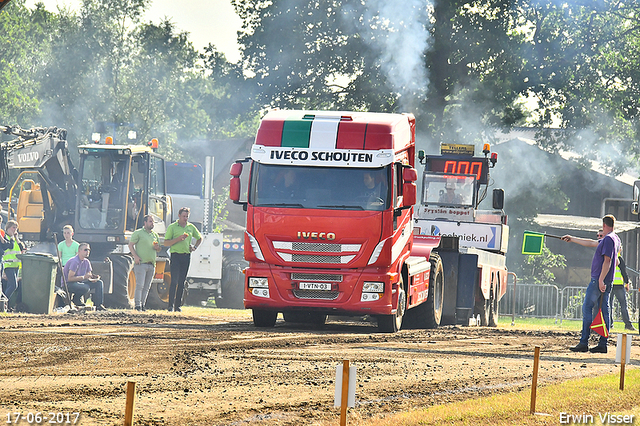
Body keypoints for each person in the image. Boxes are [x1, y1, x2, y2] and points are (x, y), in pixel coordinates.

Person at [562, 215, 620, 353]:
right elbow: (591, 242)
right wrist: (572, 239)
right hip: (607, 281)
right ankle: (602, 343)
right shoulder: (615, 238)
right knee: (605, 311)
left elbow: (608, 261)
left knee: (587, 308)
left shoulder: (608, 239)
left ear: (604, 225)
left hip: (598, 281)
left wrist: (600, 280)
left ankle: (584, 342)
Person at [164, 207, 202, 312]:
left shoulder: (190, 227)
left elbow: (200, 238)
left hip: (186, 256)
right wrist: (177, 239)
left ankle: (178, 306)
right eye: (184, 216)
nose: (185, 219)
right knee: (174, 281)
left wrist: (194, 247)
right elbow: (166, 243)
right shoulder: (172, 227)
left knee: (182, 282)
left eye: (187, 217)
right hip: (175, 255)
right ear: (179, 216)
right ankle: (170, 306)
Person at [599, 228, 637, 331]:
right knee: (619, 306)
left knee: (611, 306)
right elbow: (624, 272)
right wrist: (627, 283)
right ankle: (625, 324)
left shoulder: (613, 257)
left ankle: (612, 325)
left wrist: (626, 283)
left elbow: (623, 271)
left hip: (613, 284)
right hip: (616, 285)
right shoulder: (617, 258)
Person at [129, 215, 161, 311]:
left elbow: (159, 249)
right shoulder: (138, 233)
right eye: (150, 221)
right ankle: (137, 305)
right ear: (145, 222)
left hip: (151, 264)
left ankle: (142, 305)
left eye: (153, 222)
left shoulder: (155, 235)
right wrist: (135, 256)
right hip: (141, 263)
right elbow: (130, 245)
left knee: (147, 287)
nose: (152, 224)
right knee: (140, 285)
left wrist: (157, 248)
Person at [63, 243, 107, 311]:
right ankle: (76, 299)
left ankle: (98, 305)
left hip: (80, 282)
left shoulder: (87, 262)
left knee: (99, 283)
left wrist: (93, 278)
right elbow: (70, 278)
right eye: (85, 250)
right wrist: (84, 277)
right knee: (85, 287)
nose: (87, 252)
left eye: (89, 250)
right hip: (68, 284)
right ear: (79, 251)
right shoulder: (74, 261)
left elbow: (88, 275)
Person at [2, 220, 25, 302]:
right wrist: (12, 237)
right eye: (13, 228)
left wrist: (17, 238)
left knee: (10, 285)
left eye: (16, 228)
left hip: (16, 264)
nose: (15, 230)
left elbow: (22, 248)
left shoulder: (14, 238)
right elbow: (10, 247)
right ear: (8, 228)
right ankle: (3, 301)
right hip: (8, 264)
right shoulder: (5, 237)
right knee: (13, 285)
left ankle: (5, 305)